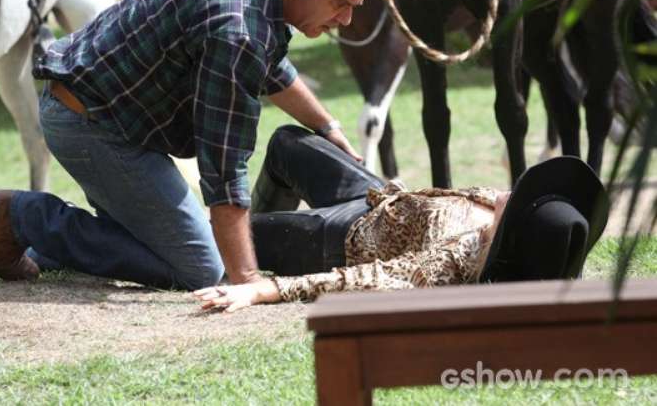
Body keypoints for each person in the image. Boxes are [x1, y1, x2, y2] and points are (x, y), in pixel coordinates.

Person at [0, 0, 382, 290]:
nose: (346, 20)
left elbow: (273, 67)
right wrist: (246, 282)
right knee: (199, 268)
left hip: (108, 114)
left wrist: (326, 127)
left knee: (156, 240)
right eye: (341, 5)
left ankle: (1, 245)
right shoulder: (239, 28)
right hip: (91, 126)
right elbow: (223, 167)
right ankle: (23, 214)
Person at [193, 125, 610, 312]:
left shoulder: (452, 262)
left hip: (337, 237)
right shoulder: (492, 211)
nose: (514, 189)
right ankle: (261, 224)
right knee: (287, 141)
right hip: (374, 197)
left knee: (218, 236)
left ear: (512, 229)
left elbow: (361, 280)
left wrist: (262, 290)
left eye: (522, 198)